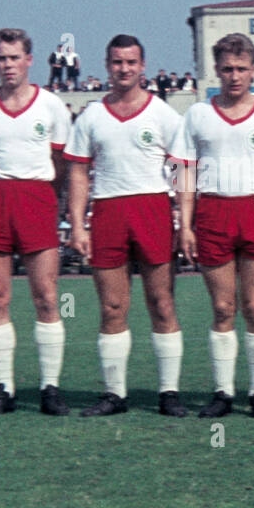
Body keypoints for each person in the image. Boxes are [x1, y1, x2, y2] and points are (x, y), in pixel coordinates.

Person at [170, 33, 254, 419]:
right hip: (213, 212)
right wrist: (184, 223)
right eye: (227, 69)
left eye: (242, 69)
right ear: (216, 70)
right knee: (223, 307)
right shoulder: (198, 114)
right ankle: (223, 392)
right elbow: (183, 170)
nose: (234, 76)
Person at [65, 35, 185, 416]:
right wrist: (78, 225)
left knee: (162, 303)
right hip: (108, 212)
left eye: (131, 62)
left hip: (152, 208)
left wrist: (185, 221)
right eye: (117, 62)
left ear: (143, 66)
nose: (124, 69)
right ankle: (115, 394)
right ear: (107, 65)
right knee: (113, 306)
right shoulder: (91, 116)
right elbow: (79, 173)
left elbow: (184, 170)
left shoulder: (164, 114)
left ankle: (169, 392)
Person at [0, 28, 71, 416]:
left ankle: (50, 387)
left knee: (46, 296)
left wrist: (51, 200)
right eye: (1, 58)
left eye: (14, 58)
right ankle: (4, 388)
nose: (8, 65)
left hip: (37, 198)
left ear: (30, 60)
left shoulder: (52, 106)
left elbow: (62, 164)